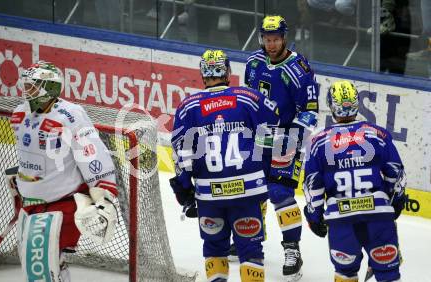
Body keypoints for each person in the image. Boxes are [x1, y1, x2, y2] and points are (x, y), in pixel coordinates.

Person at [170, 49, 281, 282]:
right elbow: (273, 127)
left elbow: (182, 153)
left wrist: (184, 190)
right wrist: (263, 169)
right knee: (251, 252)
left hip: (210, 194)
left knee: (214, 250)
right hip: (248, 190)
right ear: (228, 71)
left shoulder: (188, 107)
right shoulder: (248, 97)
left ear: (203, 73)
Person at [9, 61, 118, 282]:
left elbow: (91, 153)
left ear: (49, 88)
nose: (26, 90)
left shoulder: (71, 115)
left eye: (32, 86)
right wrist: (19, 178)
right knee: (39, 267)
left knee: (42, 267)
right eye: (27, 85)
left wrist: (104, 194)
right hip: (30, 202)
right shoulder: (19, 114)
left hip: (61, 203)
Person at [303, 80, 406, 282]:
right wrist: (397, 202)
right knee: (389, 274)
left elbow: (313, 185)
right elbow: (396, 173)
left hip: (341, 221)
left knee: (345, 274)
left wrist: (314, 217)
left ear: (332, 105)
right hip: (379, 218)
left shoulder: (317, 142)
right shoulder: (378, 134)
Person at [244, 15, 319, 281]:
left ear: (284, 38)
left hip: (287, 135)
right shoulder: (253, 62)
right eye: (267, 39)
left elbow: (310, 111)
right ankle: (253, 240)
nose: (271, 44)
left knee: (280, 192)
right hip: (259, 135)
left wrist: (292, 139)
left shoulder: (298, 68)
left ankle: (292, 251)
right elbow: (248, 100)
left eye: (276, 39)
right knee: (252, 189)